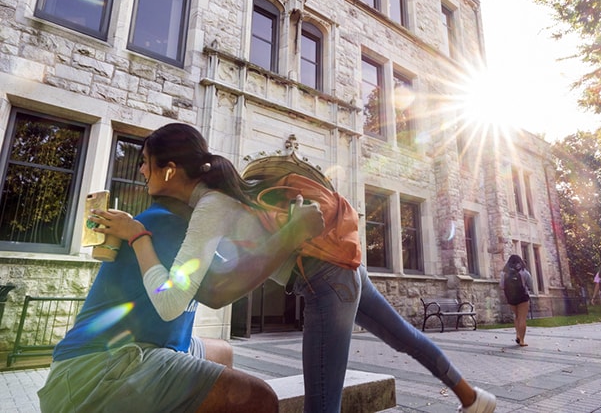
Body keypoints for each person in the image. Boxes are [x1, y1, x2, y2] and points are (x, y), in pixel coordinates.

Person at [103, 123, 496, 413]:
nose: (139, 171)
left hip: (325, 281)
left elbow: (176, 301)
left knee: (322, 404)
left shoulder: (211, 207)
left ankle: (472, 399)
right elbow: (215, 278)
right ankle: (473, 398)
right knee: (405, 337)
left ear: (169, 170)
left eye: (144, 164)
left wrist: (139, 238)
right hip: (344, 268)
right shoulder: (220, 197)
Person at [37, 196, 287, 412]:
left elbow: (239, 263)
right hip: (100, 366)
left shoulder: (192, 230)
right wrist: (291, 234)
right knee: (259, 398)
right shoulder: (167, 223)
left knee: (223, 351)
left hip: (156, 345)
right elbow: (216, 292)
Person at [499, 254, 533, 347]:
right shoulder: (523, 271)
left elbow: (502, 286)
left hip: (511, 298)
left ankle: (518, 335)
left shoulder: (504, 273)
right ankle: (521, 340)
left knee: (516, 316)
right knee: (522, 318)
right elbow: (530, 283)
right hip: (523, 297)